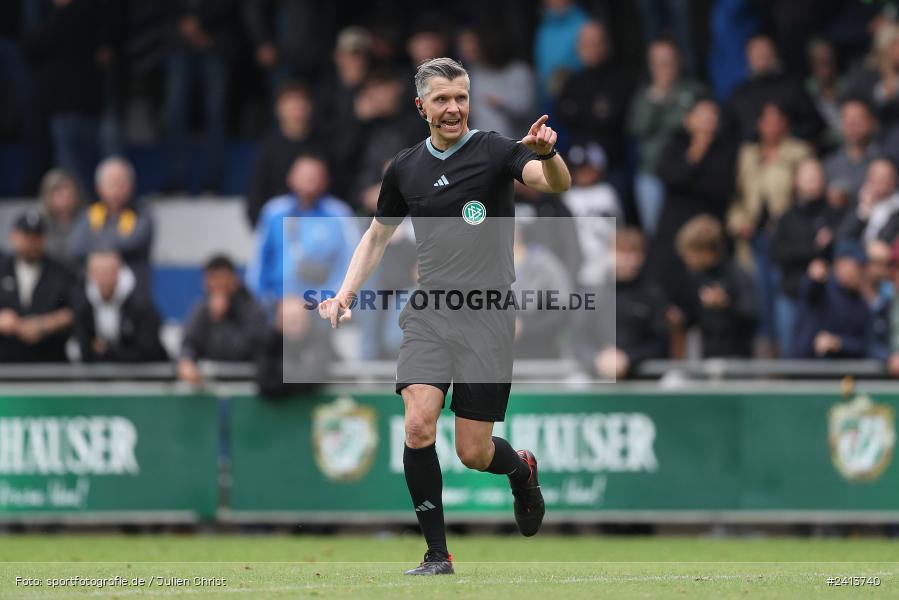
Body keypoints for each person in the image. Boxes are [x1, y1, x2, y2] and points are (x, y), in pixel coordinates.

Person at [318, 58, 571, 575]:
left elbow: (555, 185)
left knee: (473, 454)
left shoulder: (497, 150)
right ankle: (437, 554)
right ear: (421, 107)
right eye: (441, 99)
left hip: (488, 316)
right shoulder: (404, 168)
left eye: (460, 97)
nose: (453, 108)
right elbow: (377, 235)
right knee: (417, 425)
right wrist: (344, 293)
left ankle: (521, 470)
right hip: (431, 310)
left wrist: (548, 155)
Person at [246, 154, 356, 311]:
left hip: (324, 307)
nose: (310, 180)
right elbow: (258, 265)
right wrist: (270, 302)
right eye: (304, 175)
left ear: (325, 180)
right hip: (275, 306)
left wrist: (321, 302)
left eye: (315, 175)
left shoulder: (340, 215)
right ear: (290, 178)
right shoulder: (273, 212)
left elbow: (351, 264)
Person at [628, 38, 706, 237]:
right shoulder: (644, 95)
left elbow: (693, 124)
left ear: (679, 61)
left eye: (668, 60)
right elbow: (639, 127)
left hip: (685, 173)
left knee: (688, 233)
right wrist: (657, 98)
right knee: (656, 234)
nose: (664, 67)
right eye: (658, 62)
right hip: (651, 173)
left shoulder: (693, 91)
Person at [770, 158, 844, 356]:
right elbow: (779, 253)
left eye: (817, 176)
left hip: (827, 298)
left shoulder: (835, 214)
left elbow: (842, 250)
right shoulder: (787, 218)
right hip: (792, 294)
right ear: (796, 181)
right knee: (791, 354)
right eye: (808, 176)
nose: (814, 180)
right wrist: (814, 248)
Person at [574, 228, 668, 379]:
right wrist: (598, 359)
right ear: (610, 254)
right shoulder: (593, 294)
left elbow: (661, 344)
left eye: (634, 255)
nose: (629, 261)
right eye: (623, 254)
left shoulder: (652, 296)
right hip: (598, 382)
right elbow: (578, 341)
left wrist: (628, 358)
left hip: (641, 384)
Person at [674, 215, 758, 358]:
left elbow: (752, 315)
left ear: (707, 253)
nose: (686, 260)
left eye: (690, 254)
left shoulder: (735, 275)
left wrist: (726, 304)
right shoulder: (693, 277)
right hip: (705, 357)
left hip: (737, 357)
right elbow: (690, 316)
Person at [178, 254, 268, 384]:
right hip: (208, 389)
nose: (217, 286)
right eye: (212, 280)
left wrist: (218, 321)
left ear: (234, 280)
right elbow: (189, 343)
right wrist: (186, 361)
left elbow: (241, 352)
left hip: (246, 386)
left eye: (222, 280)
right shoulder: (201, 310)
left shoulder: (252, 310)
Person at [0, 209, 75, 363]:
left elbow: (79, 309)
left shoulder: (61, 272)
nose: (32, 242)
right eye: (27, 236)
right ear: (13, 236)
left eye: (37, 237)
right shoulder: (2, 268)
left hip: (49, 364)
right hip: (5, 365)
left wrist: (48, 323)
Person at [245, 81, 323, 227]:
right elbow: (256, 196)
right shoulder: (267, 149)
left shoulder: (323, 146)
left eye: (302, 101)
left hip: (319, 227)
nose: (297, 107)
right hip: (279, 226)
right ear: (279, 108)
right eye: (291, 101)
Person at [69, 156, 154, 287]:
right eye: (111, 184)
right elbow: (76, 247)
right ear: (99, 187)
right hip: (93, 288)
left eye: (121, 184)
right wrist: (109, 250)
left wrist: (98, 249)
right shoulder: (90, 213)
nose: (116, 190)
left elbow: (133, 243)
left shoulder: (141, 213)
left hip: (134, 291)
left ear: (131, 186)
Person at [725, 34, 823, 143]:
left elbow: (814, 124)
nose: (761, 55)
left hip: (791, 149)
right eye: (756, 52)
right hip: (752, 154)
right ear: (748, 56)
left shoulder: (792, 86)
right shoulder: (739, 95)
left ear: (774, 53)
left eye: (765, 51)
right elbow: (731, 135)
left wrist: (783, 132)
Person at [72, 250, 167, 362]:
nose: (105, 279)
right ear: (90, 274)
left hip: (142, 375)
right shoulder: (83, 306)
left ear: (119, 272)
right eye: (99, 273)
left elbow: (148, 349)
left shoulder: (140, 304)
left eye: (109, 272)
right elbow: (84, 349)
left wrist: (108, 351)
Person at [791, 242, 871, 359]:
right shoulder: (823, 287)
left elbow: (864, 345)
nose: (861, 272)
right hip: (807, 367)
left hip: (841, 372)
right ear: (840, 264)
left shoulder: (861, 304)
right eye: (858, 266)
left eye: (863, 267)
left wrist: (839, 343)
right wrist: (815, 278)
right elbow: (810, 290)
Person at [824, 98, 881, 207]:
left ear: (872, 122)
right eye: (846, 119)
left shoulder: (884, 161)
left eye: (858, 119)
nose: (852, 124)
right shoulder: (829, 164)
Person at [38, 168, 85, 269]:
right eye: (59, 193)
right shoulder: (40, 223)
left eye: (69, 193)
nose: (65, 198)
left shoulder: (87, 220)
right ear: (48, 196)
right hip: (50, 274)